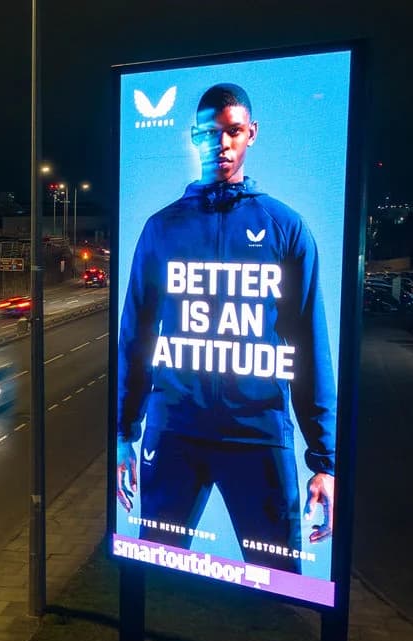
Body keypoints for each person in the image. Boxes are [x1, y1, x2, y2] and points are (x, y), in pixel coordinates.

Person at [115, 82, 336, 574]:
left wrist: (325, 460)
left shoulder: (286, 228)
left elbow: (309, 347)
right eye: (210, 134)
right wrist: (123, 434)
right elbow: (136, 339)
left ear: (251, 134)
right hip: (175, 432)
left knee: (281, 585)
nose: (222, 144)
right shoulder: (161, 229)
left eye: (233, 131)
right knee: (158, 575)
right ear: (194, 138)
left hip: (257, 434)